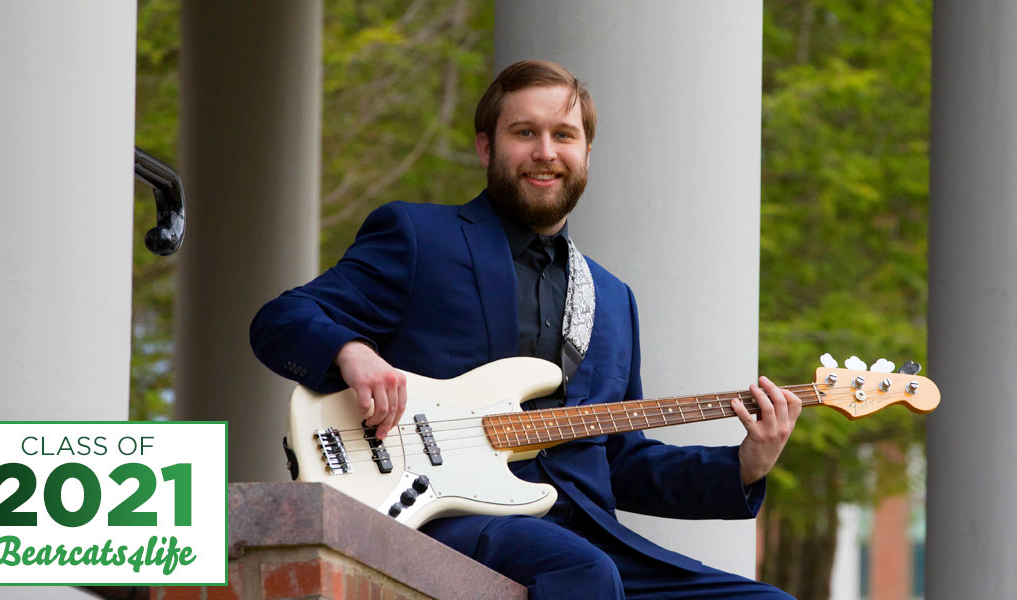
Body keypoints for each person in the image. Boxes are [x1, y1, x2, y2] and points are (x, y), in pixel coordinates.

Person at [251, 59, 800, 599]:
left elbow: (619, 460)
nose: (546, 152)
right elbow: (280, 321)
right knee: (583, 572)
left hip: (586, 537)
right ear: (486, 147)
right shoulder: (421, 237)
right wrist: (351, 350)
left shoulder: (612, 298)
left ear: (586, 153)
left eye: (564, 135)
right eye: (525, 132)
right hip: (441, 511)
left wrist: (743, 466)